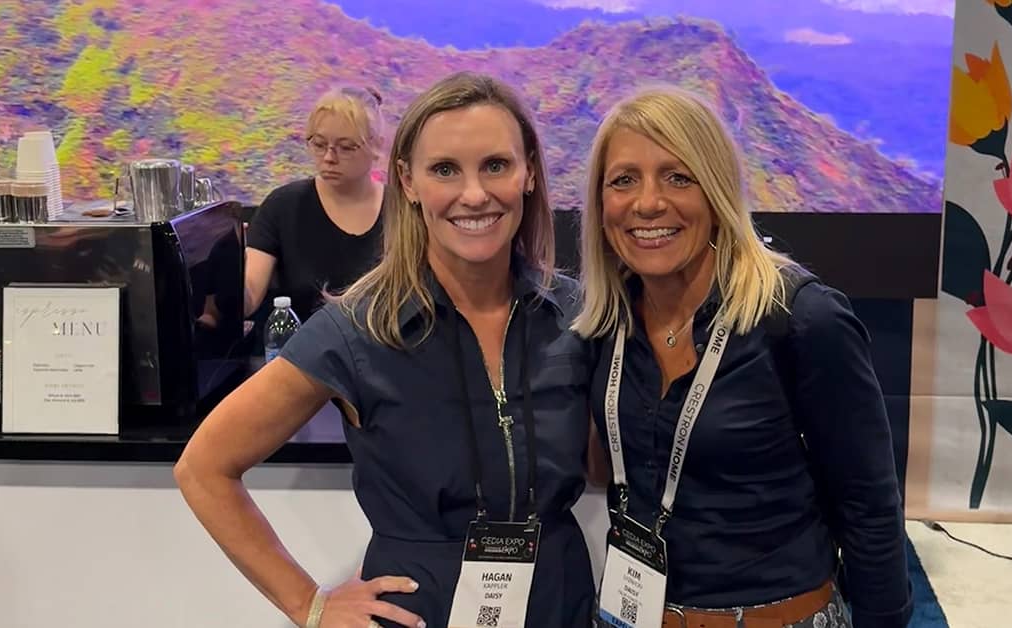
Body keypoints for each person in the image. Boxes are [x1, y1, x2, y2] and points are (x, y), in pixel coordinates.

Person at [175, 72, 596, 628]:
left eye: (496, 165)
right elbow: (204, 468)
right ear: (407, 181)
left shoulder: (576, 315)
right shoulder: (358, 328)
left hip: (557, 604)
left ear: (530, 173)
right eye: (444, 169)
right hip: (418, 611)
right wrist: (308, 604)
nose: (474, 194)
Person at [573, 87, 911, 628]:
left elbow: (870, 508)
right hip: (630, 612)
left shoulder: (802, 319)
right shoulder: (605, 323)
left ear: (717, 192)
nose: (648, 202)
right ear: (600, 203)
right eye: (623, 180)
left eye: (678, 177)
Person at [245, 86, 387, 322]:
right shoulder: (283, 206)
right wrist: (229, 272)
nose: (329, 158)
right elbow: (248, 300)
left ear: (377, 146)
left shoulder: (403, 211)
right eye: (319, 145)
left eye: (346, 147)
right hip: (299, 344)